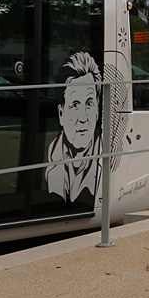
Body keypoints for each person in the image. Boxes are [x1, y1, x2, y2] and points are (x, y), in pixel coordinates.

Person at [45, 52, 102, 203]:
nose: (83, 118)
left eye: (89, 104)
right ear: (61, 114)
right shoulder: (52, 153)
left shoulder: (107, 155)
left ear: (97, 110)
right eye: (75, 105)